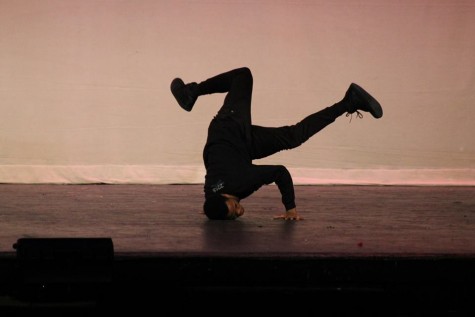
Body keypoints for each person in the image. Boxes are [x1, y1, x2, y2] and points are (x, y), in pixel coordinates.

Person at [170, 67, 382, 221]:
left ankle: (191, 93)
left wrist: (290, 208)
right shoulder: (212, 193)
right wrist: (211, 211)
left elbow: (280, 172)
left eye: (234, 206)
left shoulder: (243, 181)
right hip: (242, 147)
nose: (239, 210)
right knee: (294, 136)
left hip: (228, 125)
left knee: (243, 75)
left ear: (226, 198)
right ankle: (350, 101)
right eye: (235, 214)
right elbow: (211, 200)